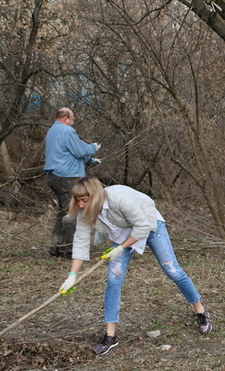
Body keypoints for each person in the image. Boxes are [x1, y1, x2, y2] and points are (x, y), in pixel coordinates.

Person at [58, 176, 212, 355]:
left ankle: (200, 310)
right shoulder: (84, 210)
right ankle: (110, 335)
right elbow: (81, 241)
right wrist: (72, 276)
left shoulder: (119, 198)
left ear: (96, 196)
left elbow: (142, 226)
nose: (81, 205)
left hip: (149, 225)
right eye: (78, 201)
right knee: (113, 279)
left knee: (172, 270)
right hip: (121, 236)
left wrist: (121, 248)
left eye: (84, 200)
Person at [44, 107, 102, 258]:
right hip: (67, 177)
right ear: (65, 119)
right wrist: (92, 148)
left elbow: (70, 153)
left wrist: (91, 161)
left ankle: (56, 246)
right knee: (73, 212)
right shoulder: (66, 130)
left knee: (63, 212)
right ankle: (69, 249)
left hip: (54, 177)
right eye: (72, 119)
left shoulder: (52, 131)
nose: (73, 122)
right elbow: (80, 150)